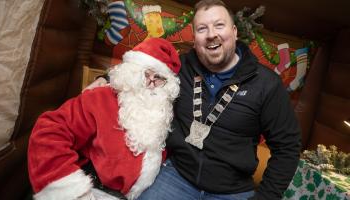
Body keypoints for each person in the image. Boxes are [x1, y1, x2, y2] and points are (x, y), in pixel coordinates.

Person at [86, 0, 301, 199]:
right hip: (176, 176)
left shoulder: (267, 84)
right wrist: (104, 79)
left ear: (234, 32)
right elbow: (141, 68)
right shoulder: (180, 66)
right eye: (202, 29)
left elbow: (287, 148)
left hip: (231, 191)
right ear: (195, 39)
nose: (211, 34)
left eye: (219, 25)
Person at [27, 38, 181, 200]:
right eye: (146, 73)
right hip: (88, 191)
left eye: (159, 78)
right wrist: (71, 191)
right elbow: (48, 132)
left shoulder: (162, 115)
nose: (150, 83)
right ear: (132, 70)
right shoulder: (100, 98)